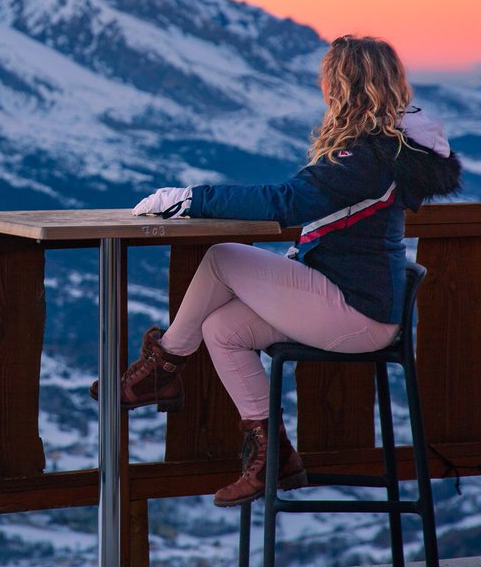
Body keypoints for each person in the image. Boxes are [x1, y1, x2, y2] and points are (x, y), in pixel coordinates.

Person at [90, 35, 462, 507]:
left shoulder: (368, 157)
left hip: (356, 312)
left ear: (344, 84)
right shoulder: (386, 150)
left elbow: (285, 202)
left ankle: (162, 367)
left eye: (328, 76)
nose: (322, 85)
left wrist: (191, 198)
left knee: (222, 258)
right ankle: (274, 455)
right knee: (222, 328)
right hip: (357, 303)